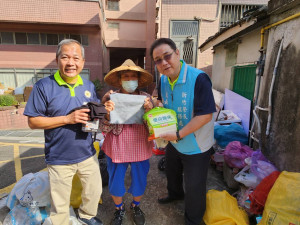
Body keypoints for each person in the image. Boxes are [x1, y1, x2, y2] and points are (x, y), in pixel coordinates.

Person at [24, 39, 103, 225]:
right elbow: (33, 122)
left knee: (94, 191)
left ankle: (86, 215)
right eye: (65, 57)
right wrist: (68, 119)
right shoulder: (43, 86)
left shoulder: (88, 86)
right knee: (59, 203)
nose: (71, 63)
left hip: (87, 153)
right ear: (57, 59)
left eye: (76, 58)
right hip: (59, 156)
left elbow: (94, 111)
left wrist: (104, 108)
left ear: (82, 62)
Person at [150, 38, 216, 225]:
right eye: (158, 60)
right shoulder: (163, 79)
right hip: (174, 139)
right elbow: (162, 100)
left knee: (195, 187)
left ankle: (193, 220)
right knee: (172, 171)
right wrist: (155, 105)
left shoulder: (198, 78)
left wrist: (178, 134)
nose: (163, 63)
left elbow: (205, 116)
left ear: (177, 53)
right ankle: (175, 194)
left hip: (196, 144)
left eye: (167, 56)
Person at [99, 59, 154, 225]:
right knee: (115, 182)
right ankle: (119, 208)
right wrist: (107, 114)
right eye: (126, 76)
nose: (130, 80)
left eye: (133, 77)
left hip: (140, 146)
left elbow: (154, 128)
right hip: (116, 147)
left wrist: (150, 113)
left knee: (140, 180)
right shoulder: (110, 98)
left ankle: (135, 205)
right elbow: (102, 127)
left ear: (138, 79)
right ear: (120, 79)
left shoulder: (146, 99)